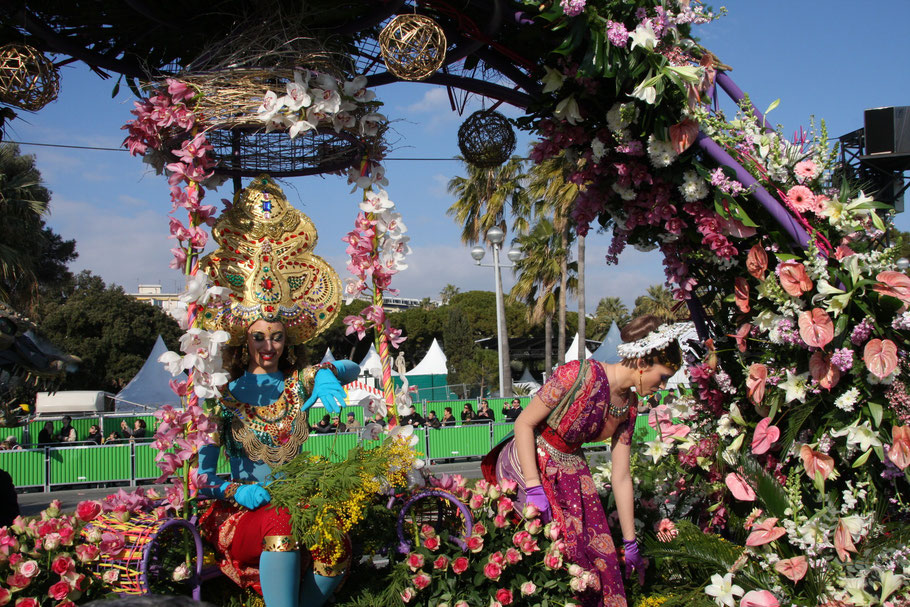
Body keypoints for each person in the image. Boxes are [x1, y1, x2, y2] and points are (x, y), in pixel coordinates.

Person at [194, 177, 363, 607]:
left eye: (277, 337)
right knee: (282, 525)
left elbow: (352, 367)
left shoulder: (297, 383)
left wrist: (328, 372)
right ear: (243, 340)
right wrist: (235, 491)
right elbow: (204, 477)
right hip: (240, 514)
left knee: (334, 541)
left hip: (295, 502)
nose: (268, 347)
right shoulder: (223, 395)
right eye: (259, 337)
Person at [482, 315, 688, 607]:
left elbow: (621, 477)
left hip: (573, 471)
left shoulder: (629, 407)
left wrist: (630, 543)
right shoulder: (577, 374)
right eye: (663, 377)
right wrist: (533, 487)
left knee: (596, 561)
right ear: (642, 363)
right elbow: (524, 424)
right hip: (530, 462)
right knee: (550, 557)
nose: (663, 386)